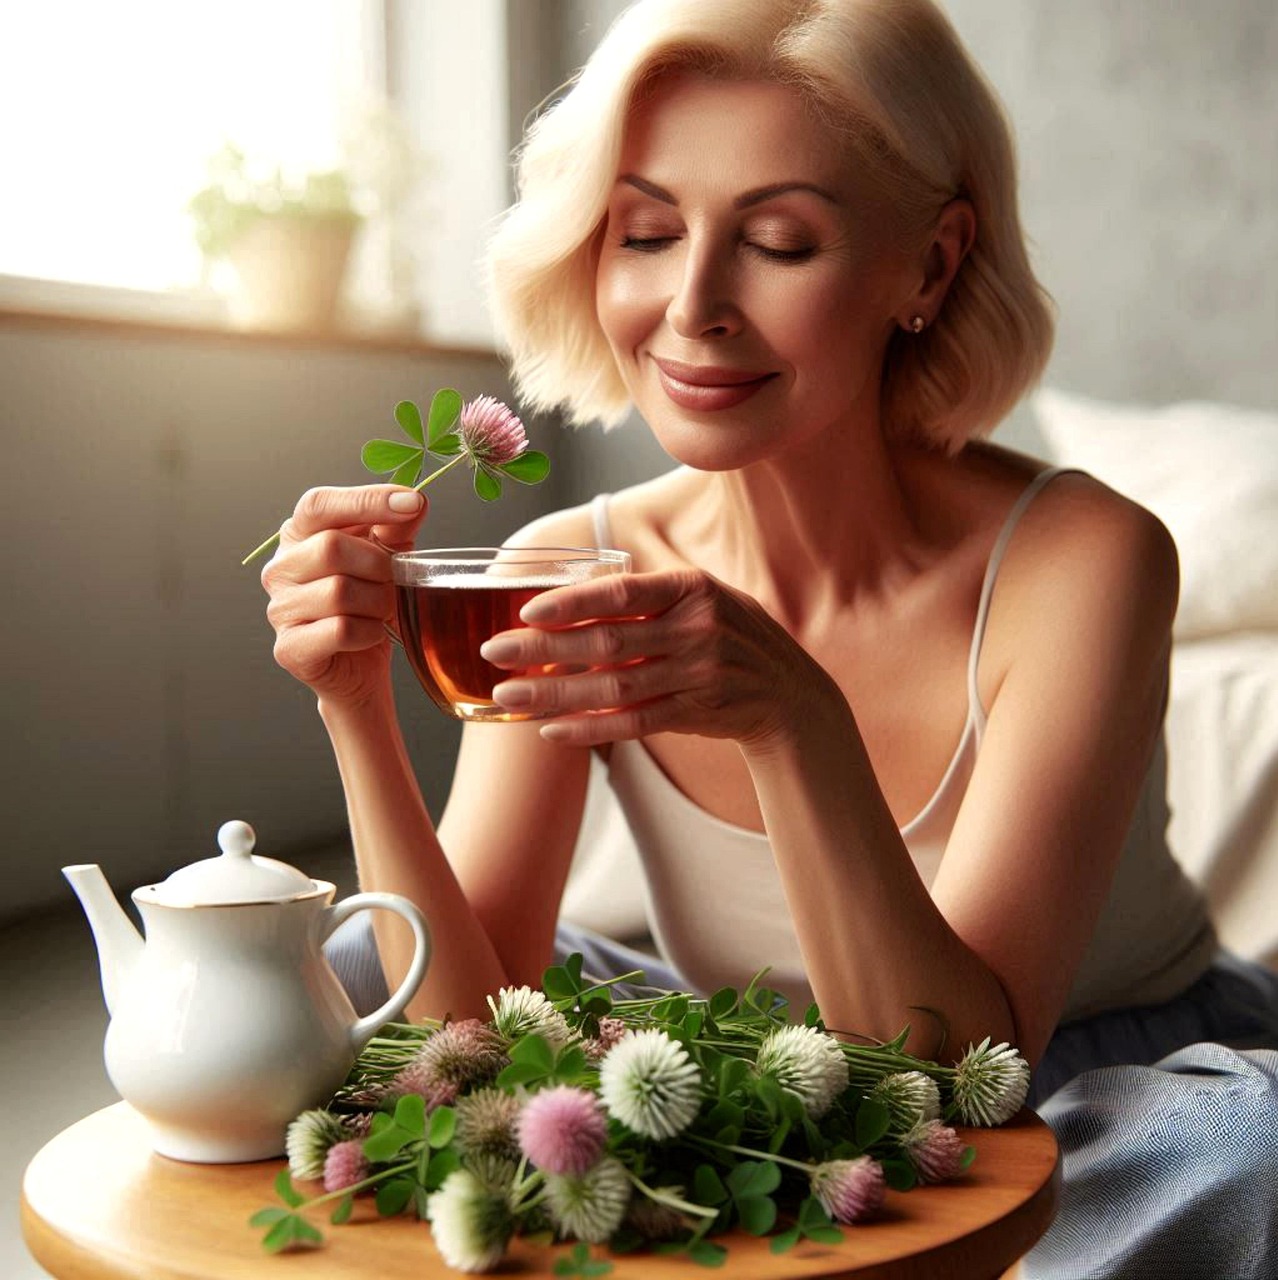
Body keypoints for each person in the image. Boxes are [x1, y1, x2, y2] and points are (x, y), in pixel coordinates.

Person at [260, 1, 1278, 1274]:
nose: (692, 306)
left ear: (932, 264)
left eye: (780, 242)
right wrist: (354, 701)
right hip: (748, 1064)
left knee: (1255, 1148)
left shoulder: (1085, 559)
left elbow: (958, 1082)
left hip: (1072, 1087)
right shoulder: (565, 564)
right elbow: (458, 1032)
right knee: (360, 960)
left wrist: (792, 717)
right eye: (643, 233)